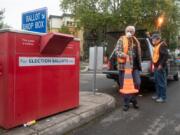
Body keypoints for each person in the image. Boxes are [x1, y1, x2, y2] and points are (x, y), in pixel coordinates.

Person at [115, 26, 142, 111]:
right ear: (125, 31)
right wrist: (125, 55)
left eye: (131, 31)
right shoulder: (121, 39)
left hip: (135, 67)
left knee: (137, 83)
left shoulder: (136, 40)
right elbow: (117, 51)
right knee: (125, 86)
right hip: (124, 67)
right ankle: (126, 103)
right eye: (128, 30)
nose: (130, 32)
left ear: (134, 32)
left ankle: (133, 98)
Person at [151, 33, 168, 103]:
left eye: (153, 38)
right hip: (156, 66)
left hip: (160, 67)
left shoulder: (162, 45)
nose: (152, 40)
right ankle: (158, 95)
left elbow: (165, 56)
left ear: (157, 39)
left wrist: (161, 65)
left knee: (161, 82)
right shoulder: (157, 45)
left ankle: (163, 97)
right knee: (157, 82)